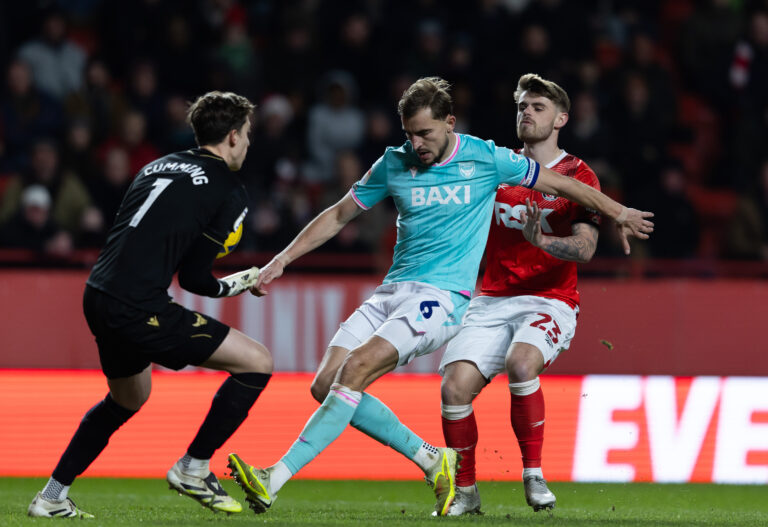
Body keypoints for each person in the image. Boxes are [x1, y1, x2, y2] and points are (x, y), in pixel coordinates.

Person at [227, 77, 653, 517]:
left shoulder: (485, 158)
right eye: (409, 133)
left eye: (426, 133)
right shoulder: (393, 163)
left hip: (443, 299)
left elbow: (563, 186)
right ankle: (434, 459)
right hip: (392, 291)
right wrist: (281, 260)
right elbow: (339, 214)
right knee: (325, 384)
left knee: (356, 370)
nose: (417, 143)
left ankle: (273, 477)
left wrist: (618, 212)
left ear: (449, 123)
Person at [28, 91, 272, 518]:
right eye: (248, 134)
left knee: (127, 398)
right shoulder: (229, 189)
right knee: (257, 362)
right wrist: (234, 284)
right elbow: (195, 279)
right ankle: (193, 468)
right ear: (232, 136)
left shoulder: (157, 164)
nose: (249, 144)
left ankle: (51, 497)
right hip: (138, 305)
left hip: (98, 293)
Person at [437, 73, 608, 515]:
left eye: (538, 107)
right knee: (453, 388)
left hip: (551, 298)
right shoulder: (497, 166)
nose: (527, 113)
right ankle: (467, 491)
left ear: (561, 119)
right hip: (491, 298)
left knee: (521, 361)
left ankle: (532, 474)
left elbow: (587, 249)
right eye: (522, 107)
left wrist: (544, 242)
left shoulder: (579, 174)